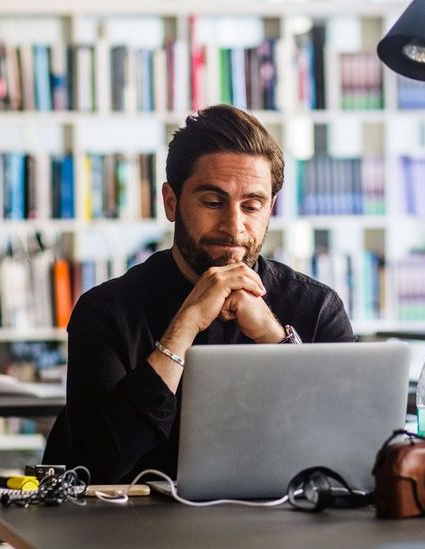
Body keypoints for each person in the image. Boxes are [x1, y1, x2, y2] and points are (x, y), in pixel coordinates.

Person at [44, 105, 355, 484]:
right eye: (212, 202)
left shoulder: (317, 307)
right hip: (136, 533)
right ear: (171, 202)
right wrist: (185, 325)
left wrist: (275, 340)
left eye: (252, 206)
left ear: (270, 209)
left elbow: (346, 453)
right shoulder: (105, 311)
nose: (233, 226)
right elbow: (98, 464)